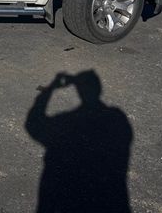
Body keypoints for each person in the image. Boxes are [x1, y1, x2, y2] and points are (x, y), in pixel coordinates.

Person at [25, 70, 133, 213]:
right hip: (110, 199)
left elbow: (33, 124)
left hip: (65, 197)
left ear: (79, 90)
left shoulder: (68, 122)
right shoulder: (117, 118)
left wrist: (50, 88)